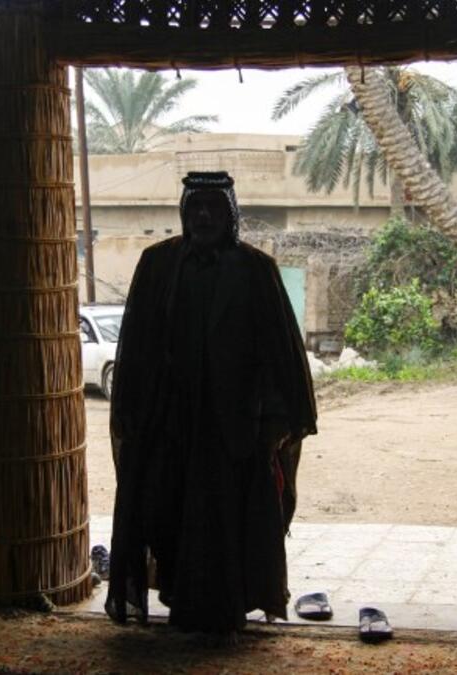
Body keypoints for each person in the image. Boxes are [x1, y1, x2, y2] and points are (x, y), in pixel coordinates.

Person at [104, 171, 317, 635]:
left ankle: (232, 606)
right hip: (171, 422)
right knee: (170, 512)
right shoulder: (157, 265)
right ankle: (181, 598)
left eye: (213, 207)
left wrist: (277, 419)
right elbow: (137, 345)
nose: (203, 216)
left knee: (234, 518)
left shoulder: (256, 270)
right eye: (195, 206)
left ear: (230, 214)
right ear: (184, 212)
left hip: (236, 425)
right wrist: (133, 414)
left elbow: (279, 349)